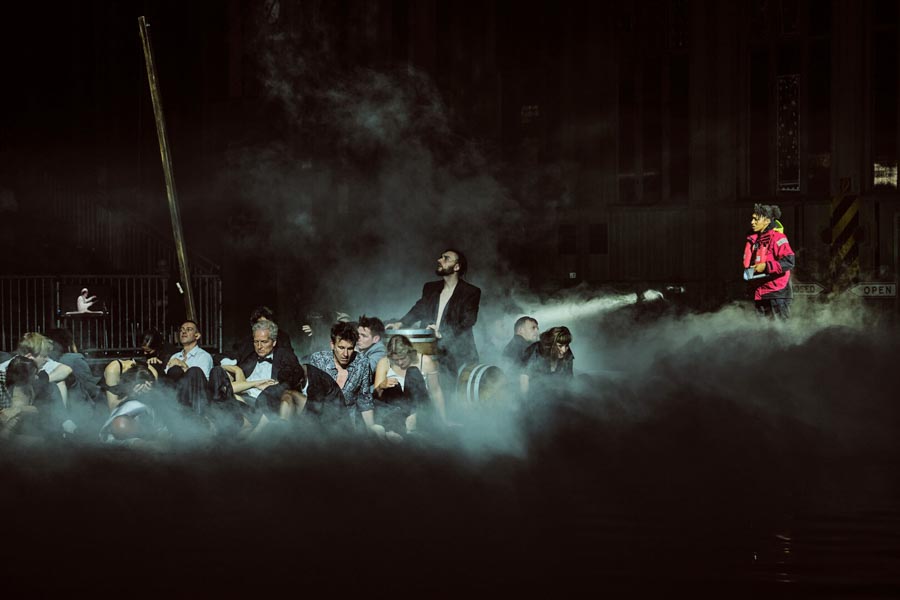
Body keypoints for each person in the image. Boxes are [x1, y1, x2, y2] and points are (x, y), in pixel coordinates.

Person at [387, 249, 481, 376]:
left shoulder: (471, 292)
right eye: (441, 257)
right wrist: (401, 323)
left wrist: (441, 333)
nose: (439, 260)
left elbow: (467, 322)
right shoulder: (430, 288)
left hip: (458, 355)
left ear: (457, 267)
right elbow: (419, 309)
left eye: (446, 258)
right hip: (430, 351)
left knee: (451, 387)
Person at [307, 321, 377, 434]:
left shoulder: (362, 362)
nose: (345, 354)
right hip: (320, 422)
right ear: (332, 345)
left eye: (350, 348)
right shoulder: (319, 360)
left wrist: (371, 429)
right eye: (341, 347)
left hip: (348, 424)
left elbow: (365, 400)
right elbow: (312, 399)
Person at [373, 334, 446, 436]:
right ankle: (396, 430)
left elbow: (436, 392)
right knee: (394, 387)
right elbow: (377, 398)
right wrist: (382, 386)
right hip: (396, 411)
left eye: (403, 358)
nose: (400, 362)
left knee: (413, 372)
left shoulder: (425, 361)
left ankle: (413, 420)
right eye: (395, 360)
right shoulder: (384, 362)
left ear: (410, 353)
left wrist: (443, 420)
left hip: (420, 409)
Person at [743, 204, 795, 319]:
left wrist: (766, 266)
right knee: (763, 329)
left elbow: (789, 262)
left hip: (777, 293)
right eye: (752, 219)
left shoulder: (778, 238)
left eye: (756, 219)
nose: (752, 222)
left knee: (780, 328)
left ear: (767, 221)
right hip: (760, 293)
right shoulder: (754, 240)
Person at [521, 326, 574, 397]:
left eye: (566, 345)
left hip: (555, 394)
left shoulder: (567, 353)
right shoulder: (535, 350)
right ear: (551, 344)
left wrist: (562, 399)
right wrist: (525, 400)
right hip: (534, 394)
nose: (564, 350)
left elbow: (567, 380)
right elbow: (524, 377)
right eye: (560, 346)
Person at [356, 315, 387, 382]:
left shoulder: (380, 352)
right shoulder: (363, 348)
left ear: (376, 339)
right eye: (358, 334)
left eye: (364, 336)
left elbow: (364, 372)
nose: (358, 338)